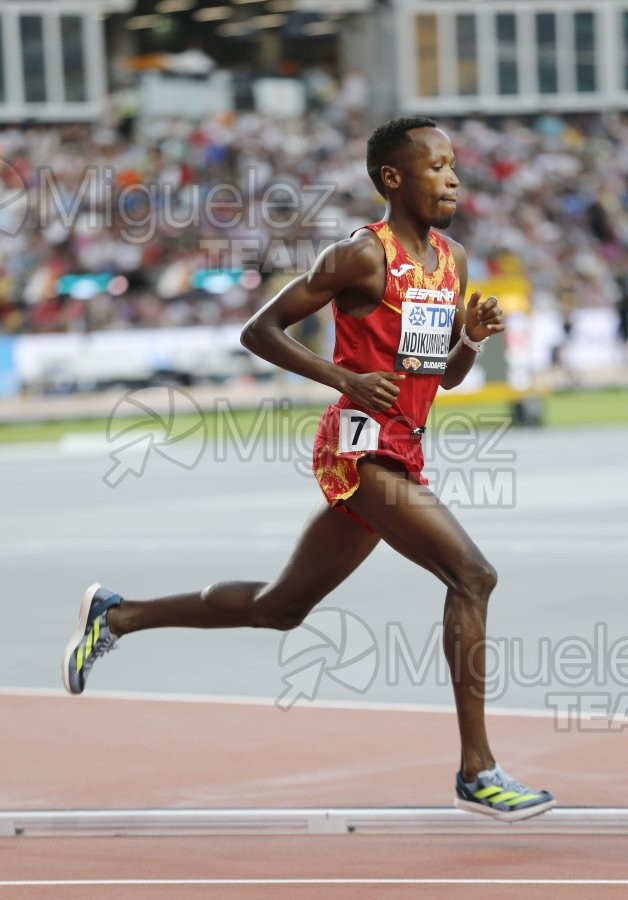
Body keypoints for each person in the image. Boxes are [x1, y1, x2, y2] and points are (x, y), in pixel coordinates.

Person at [61, 116, 555, 822]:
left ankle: (119, 615)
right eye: (436, 166)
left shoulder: (453, 261)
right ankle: (477, 770)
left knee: (281, 607)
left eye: (454, 166)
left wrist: (470, 341)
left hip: (405, 445)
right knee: (472, 575)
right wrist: (343, 379)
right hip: (359, 444)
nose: (452, 178)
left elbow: (438, 376)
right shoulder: (360, 256)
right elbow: (258, 331)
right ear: (393, 178)